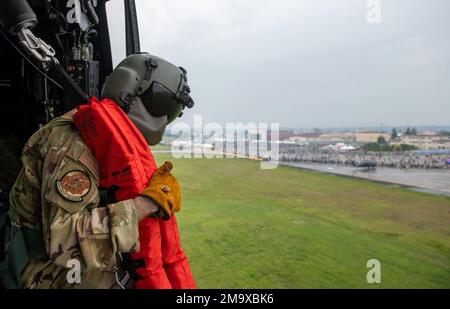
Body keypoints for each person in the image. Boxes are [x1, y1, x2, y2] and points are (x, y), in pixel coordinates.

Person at [1, 53, 195, 288]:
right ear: (129, 87)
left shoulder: (105, 141)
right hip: (43, 272)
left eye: (172, 111)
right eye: (161, 103)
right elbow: (65, 243)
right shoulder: (73, 145)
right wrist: (146, 204)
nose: (163, 119)